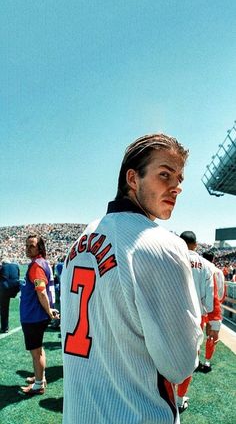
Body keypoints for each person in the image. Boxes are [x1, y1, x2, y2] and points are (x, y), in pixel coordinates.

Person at [61, 133, 203, 424]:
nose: (176, 187)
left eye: (179, 179)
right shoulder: (163, 245)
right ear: (133, 179)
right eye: (165, 174)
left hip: (79, 414)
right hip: (137, 413)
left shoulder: (80, 241)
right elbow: (180, 365)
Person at [176, 232, 221, 412]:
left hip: (168, 317)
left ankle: (165, 397)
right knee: (189, 360)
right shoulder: (205, 265)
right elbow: (211, 300)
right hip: (194, 320)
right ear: (195, 245)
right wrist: (214, 325)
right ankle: (179, 400)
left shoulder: (168, 257)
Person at [19, 233, 59, 395]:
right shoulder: (42, 263)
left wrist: (49, 311)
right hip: (36, 315)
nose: (28, 249)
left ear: (40, 247)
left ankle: (38, 385)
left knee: (36, 352)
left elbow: (41, 291)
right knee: (39, 350)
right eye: (27, 245)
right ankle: (40, 377)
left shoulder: (36, 266)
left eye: (32, 246)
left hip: (33, 315)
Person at [0, 259, 20, 333]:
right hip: (16, 288)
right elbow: (17, 276)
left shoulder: (2, 267)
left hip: (5, 289)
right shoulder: (16, 266)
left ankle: (4, 328)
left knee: (4, 309)